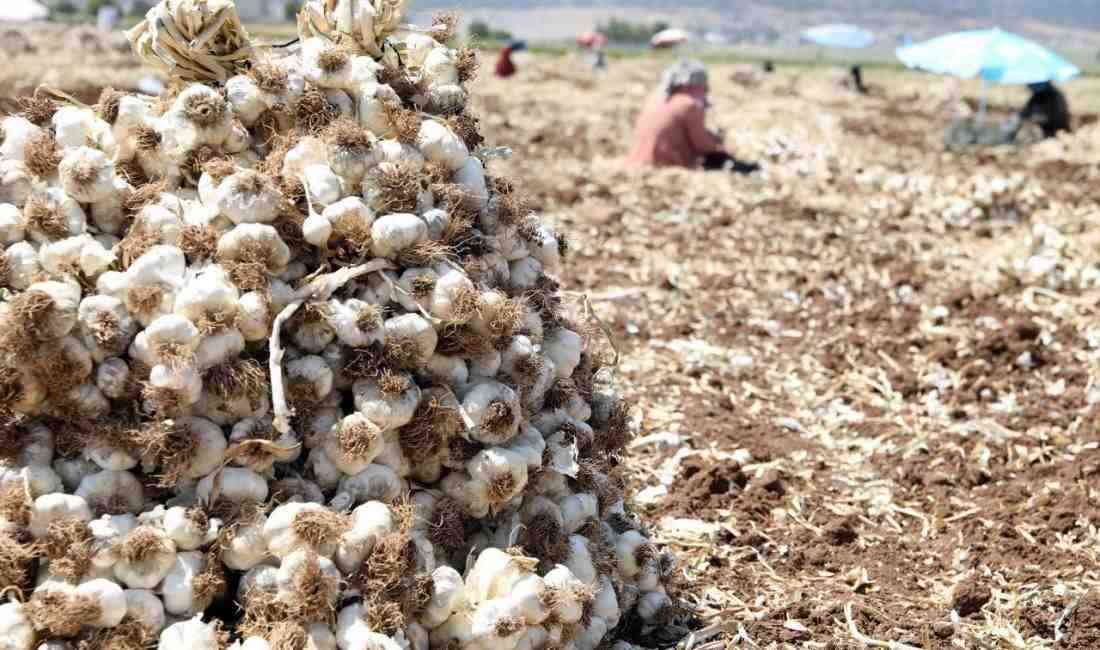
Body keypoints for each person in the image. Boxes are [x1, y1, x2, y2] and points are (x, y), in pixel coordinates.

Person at [627, 59, 759, 173]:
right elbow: (702, 145)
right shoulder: (689, 104)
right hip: (663, 167)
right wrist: (719, 144)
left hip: (636, 164)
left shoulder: (655, 99)